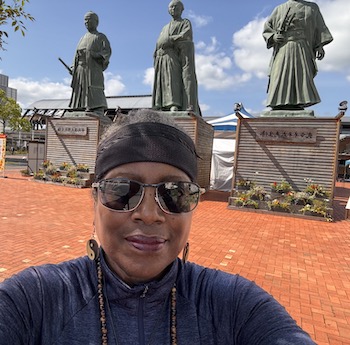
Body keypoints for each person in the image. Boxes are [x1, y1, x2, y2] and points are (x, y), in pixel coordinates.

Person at [0, 109, 316, 344]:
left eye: (175, 193)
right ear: (94, 200)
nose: (149, 215)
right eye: (123, 190)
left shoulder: (233, 304)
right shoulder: (36, 298)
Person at [263, 0, 333, 110]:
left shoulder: (312, 7)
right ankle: (278, 102)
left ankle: (300, 101)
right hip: (284, 46)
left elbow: (320, 27)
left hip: (302, 46)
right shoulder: (279, 8)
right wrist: (273, 37)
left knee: (301, 74)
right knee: (279, 73)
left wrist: (319, 45)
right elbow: (268, 27)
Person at [153, 0, 201, 116]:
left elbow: (186, 35)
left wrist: (171, 39)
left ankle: (174, 104)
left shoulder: (185, 23)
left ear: (181, 9)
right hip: (161, 57)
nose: (173, 9)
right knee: (162, 83)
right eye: (171, 7)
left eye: (175, 7)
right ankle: (162, 105)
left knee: (172, 80)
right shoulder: (165, 27)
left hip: (172, 55)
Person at [69, 11, 112, 116]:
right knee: (80, 88)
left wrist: (98, 55)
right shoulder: (82, 38)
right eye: (85, 20)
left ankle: (96, 108)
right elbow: (76, 55)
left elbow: (107, 51)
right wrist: (73, 67)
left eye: (89, 19)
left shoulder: (100, 36)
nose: (86, 22)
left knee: (93, 86)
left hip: (93, 68)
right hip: (80, 68)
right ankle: (79, 107)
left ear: (96, 22)